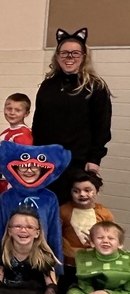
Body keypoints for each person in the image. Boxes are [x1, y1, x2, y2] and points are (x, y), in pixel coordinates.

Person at [32, 28, 112, 201]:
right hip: (48, 161)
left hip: (78, 161)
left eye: (75, 53)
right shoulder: (48, 86)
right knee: (49, 210)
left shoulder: (95, 87)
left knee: (74, 215)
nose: (70, 57)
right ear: (57, 56)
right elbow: (38, 124)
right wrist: (35, 157)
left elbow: (102, 126)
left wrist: (94, 159)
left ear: (84, 56)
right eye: (65, 53)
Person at [0, 140, 70, 273]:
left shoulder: (50, 198)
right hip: (10, 259)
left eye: (34, 167)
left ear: (42, 169)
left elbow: (54, 233)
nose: (29, 170)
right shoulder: (7, 196)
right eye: (23, 166)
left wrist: (57, 268)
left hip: (39, 260)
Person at [65, 221, 130, 294]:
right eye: (100, 238)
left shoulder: (127, 261)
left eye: (111, 238)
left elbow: (128, 292)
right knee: (72, 293)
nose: (105, 241)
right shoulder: (86, 258)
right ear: (92, 243)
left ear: (120, 244)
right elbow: (84, 285)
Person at [59, 171, 114, 290]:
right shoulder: (63, 211)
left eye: (87, 190)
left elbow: (111, 238)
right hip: (69, 264)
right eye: (76, 191)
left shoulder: (104, 214)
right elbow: (57, 235)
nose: (82, 194)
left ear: (97, 192)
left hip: (95, 263)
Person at [0, 93, 33, 195]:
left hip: (15, 184)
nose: (12, 113)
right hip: (3, 180)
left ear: (26, 113)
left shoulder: (23, 134)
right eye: (9, 108)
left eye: (17, 110)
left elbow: (25, 163)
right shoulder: (6, 132)